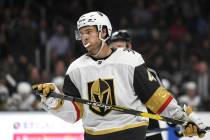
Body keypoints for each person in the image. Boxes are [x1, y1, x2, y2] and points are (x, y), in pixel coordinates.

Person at [32, 11, 206, 140]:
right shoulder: (75, 68)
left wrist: (183, 119)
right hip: (95, 136)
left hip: (129, 132)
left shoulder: (129, 60)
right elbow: (74, 114)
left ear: (104, 33)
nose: (84, 37)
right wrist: (54, 100)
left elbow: (155, 97)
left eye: (89, 31)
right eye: (81, 32)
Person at [110, 29, 163, 140]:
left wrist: (178, 122)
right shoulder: (105, 72)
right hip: (119, 131)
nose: (115, 51)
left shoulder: (146, 69)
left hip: (149, 130)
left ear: (129, 46)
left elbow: (161, 100)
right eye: (113, 48)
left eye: (119, 46)